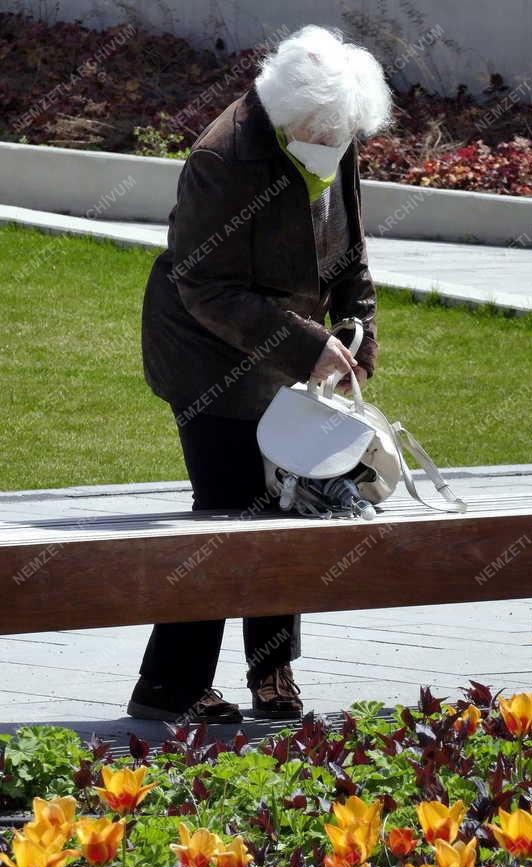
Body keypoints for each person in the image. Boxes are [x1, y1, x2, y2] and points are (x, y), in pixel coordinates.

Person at [132, 25, 391, 722]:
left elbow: (351, 255)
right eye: (322, 133)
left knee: (291, 507)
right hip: (205, 357)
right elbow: (203, 284)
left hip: (288, 355)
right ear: (287, 115)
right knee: (228, 513)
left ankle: (271, 675)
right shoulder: (223, 157)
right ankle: (170, 686)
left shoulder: (332, 133)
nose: (333, 145)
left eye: (342, 134)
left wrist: (355, 336)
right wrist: (304, 344)